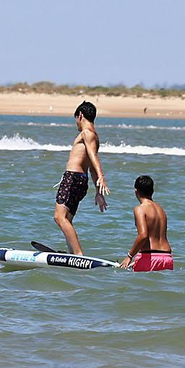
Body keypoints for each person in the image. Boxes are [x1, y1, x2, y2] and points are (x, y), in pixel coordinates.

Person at [53, 101, 109, 255]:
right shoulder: (94, 137)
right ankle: (73, 254)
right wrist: (98, 191)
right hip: (80, 180)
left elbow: (93, 156)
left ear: (81, 115)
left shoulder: (87, 133)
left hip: (72, 179)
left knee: (59, 217)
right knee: (67, 220)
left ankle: (78, 254)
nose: (76, 123)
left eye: (76, 119)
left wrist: (102, 177)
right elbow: (91, 167)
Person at [119, 175, 173, 271]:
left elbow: (143, 235)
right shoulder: (161, 210)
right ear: (152, 191)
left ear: (136, 191)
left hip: (150, 256)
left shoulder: (140, 209)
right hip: (167, 258)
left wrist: (129, 256)